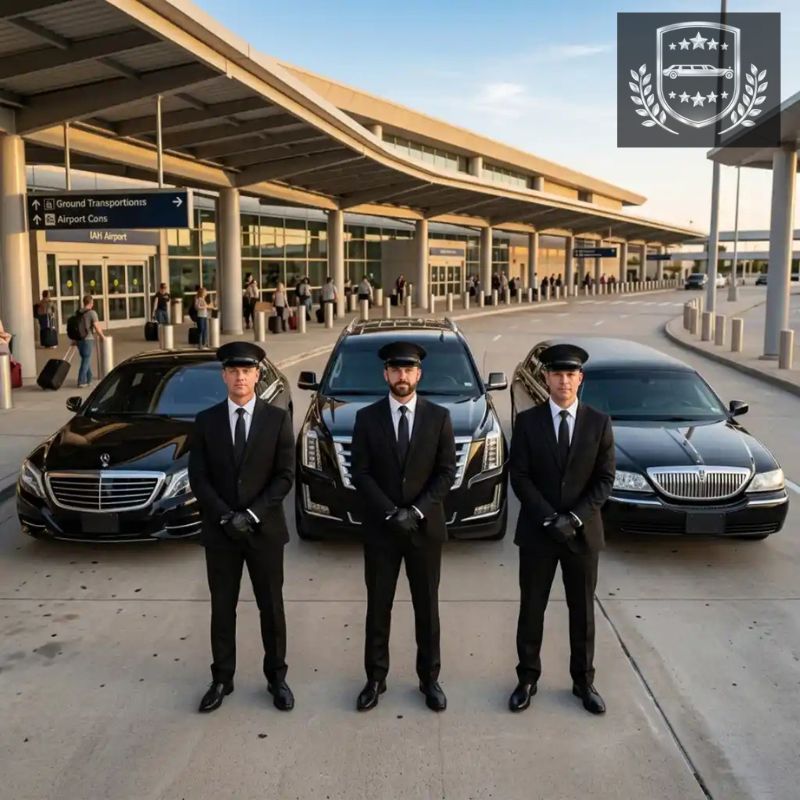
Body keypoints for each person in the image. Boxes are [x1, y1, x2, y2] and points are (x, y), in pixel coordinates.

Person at [508, 343, 615, 716]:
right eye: (557, 374)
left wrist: (575, 518)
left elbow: (604, 480)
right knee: (531, 609)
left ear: (580, 379)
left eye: (570, 374)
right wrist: (549, 517)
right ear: (546, 378)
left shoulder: (599, 422)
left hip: (582, 536)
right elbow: (518, 476)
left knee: (582, 612)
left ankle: (583, 681)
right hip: (539, 534)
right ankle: (527, 678)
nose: (564, 380)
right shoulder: (528, 422)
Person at [189, 341, 295, 714]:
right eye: (233, 371)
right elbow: (198, 479)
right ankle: (222, 678)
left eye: (246, 371)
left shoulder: (277, 419)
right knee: (222, 608)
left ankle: (277, 678)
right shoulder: (205, 421)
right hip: (221, 534)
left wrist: (250, 515)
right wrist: (224, 515)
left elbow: (284, 476)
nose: (239, 377)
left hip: (263, 531)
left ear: (256, 375)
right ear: (224, 376)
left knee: (271, 608)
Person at [351, 341, 456, 713]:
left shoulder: (439, 417)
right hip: (382, 531)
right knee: (378, 607)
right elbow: (360, 472)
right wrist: (390, 512)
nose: (402, 376)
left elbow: (446, 473)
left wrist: (416, 512)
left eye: (408, 370)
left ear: (418, 374)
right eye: (395, 370)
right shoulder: (366, 418)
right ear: (385, 374)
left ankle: (430, 679)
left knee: (427, 608)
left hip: (424, 531)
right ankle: (375, 678)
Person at [70, 295, 105, 388]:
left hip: (78, 340)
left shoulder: (78, 312)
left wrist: (74, 340)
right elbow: (97, 326)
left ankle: (89, 379)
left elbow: (75, 326)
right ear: (91, 303)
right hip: (87, 339)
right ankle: (81, 381)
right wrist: (102, 336)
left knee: (86, 358)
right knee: (86, 359)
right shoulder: (92, 313)